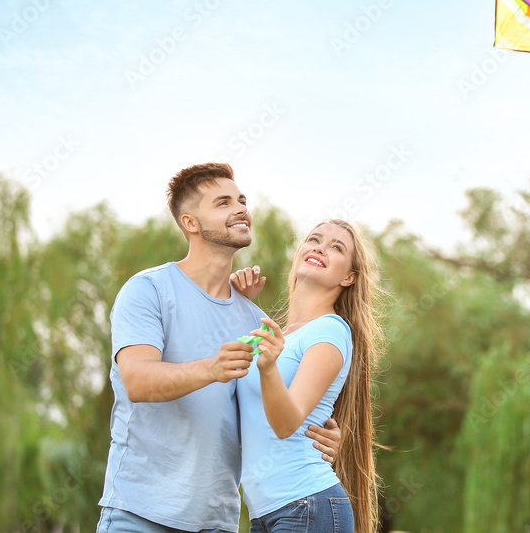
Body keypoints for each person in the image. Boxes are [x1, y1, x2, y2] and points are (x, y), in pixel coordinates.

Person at [97, 163, 341, 533]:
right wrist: (211, 368)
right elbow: (137, 380)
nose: (240, 208)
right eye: (223, 203)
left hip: (216, 522)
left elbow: (266, 415)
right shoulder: (148, 290)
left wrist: (316, 437)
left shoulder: (254, 321)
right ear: (190, 223)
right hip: (138, 513)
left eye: (242, 200)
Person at [230, 219, 382, 533]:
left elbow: (286, 424)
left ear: (349, 277)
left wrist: (269, 368)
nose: (320, 247)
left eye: (336, 247)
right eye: (314, 239)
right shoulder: (276, 337)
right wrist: (236, 302)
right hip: (265, 512)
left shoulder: (330, 330)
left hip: (306, 504)